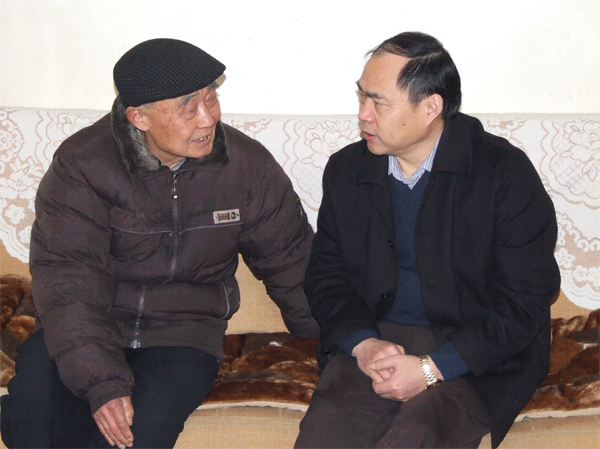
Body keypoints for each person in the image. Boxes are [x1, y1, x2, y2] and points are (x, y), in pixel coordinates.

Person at [1, 38, 319, 449]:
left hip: (182, 337)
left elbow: (292, 263)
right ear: (139, 117)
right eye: (189, 108)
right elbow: (69, 282)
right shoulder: (83, 164)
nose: (208, 119)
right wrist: (102, 383)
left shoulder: (245, 166)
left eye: (211, 99)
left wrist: (343, 343)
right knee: (35, 425)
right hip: (90, 323)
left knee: (135, 438)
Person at [294, 31, 560, 449]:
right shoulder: (346, 170)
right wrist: (363, 345)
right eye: (361, 96)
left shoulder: (503, 173)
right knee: (325, 436)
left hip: (478, 349)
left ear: (431, 107)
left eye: (378, 102)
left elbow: (526, 299)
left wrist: (431, 369)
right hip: (378, 338)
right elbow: (326, 278)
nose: (363, 114)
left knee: (418, 435)